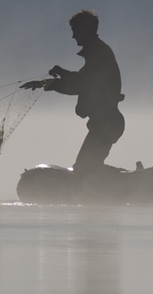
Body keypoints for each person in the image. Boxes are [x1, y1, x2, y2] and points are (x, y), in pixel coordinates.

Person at [22, 10, 125, 172]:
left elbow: (83, 83)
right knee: (86, 168)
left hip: (107, 123)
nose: (73, 36)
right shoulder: (95, 55)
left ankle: (126, 182)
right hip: (104, 123)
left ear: (87, 30)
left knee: (85, 169)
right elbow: (81, 83)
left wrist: (60, 75)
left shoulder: (99, 54)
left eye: (76, 31)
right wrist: (46, 84)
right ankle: (124, 181)